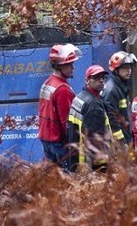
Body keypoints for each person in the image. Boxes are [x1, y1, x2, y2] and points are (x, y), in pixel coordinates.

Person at [38, 43, 82, 171]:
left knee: (53, 181)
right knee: (67, 181)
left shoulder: (48, 83)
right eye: (69, 65)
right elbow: (66, 123)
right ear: (59, 66)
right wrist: (75, 145)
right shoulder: (63, 89)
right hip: (59, 143)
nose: (73, 68)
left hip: (46, 140)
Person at [67, 65, 113, 172]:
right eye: (96, 78)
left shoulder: (79, 97)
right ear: (87, 80)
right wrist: (103, 165)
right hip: (89, 163)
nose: (101, 81)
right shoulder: (94, 105)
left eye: (102, 77)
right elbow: (95, 141)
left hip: (75, 156)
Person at [103, 51, 137, 149]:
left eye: (130, 67)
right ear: (116, 69)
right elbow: (112, 121)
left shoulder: (122, 86)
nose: (129, 71)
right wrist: (122, 144)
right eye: (125, 68)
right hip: (117, 144)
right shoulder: (112, 90)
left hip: (126, 138)